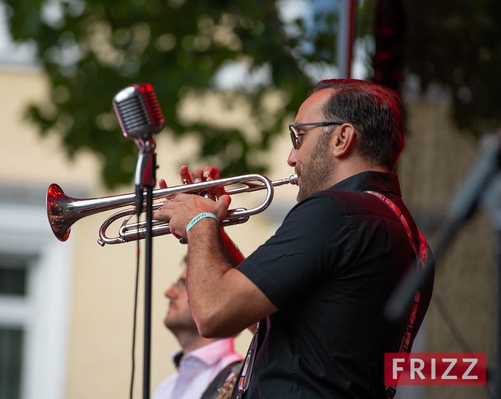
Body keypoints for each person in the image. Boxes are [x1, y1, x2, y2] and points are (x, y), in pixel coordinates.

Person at [155, 78, 434, 399]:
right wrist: (213, 233)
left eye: (299, 137)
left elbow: (213, 315)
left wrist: (198, 222)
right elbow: (269, 323)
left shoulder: (335, 211)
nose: (291, 157)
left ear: (342, 138)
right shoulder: (408, 234)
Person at [153, 256, 243, 399]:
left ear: (218, 300)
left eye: (183, 284)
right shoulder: (165, 387)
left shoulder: (241, 380)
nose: (169, 292)